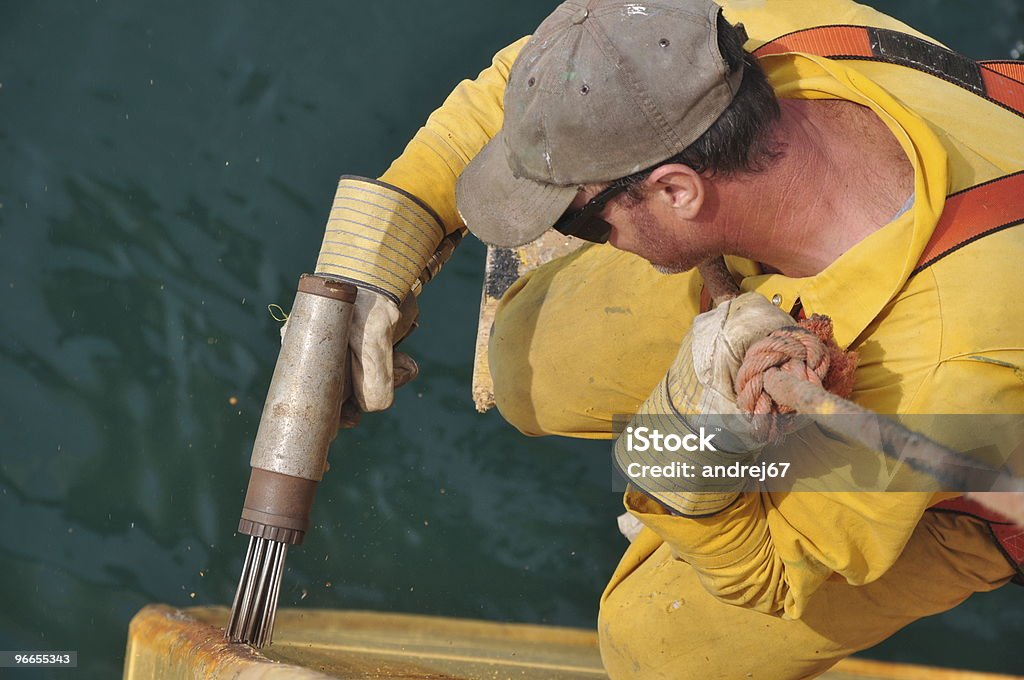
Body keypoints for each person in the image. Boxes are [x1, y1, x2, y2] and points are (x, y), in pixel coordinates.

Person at [310, 0, 1024, 677]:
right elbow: (541, 74)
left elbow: (775, 572)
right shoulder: (738, 33)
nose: (566, 234)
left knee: (652, 646)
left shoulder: (942, 366)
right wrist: (380, 245)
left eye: (579, 222)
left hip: (978, 455)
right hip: (830, 260)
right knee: (525, 360)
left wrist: (677, 465)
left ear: (678, 189)